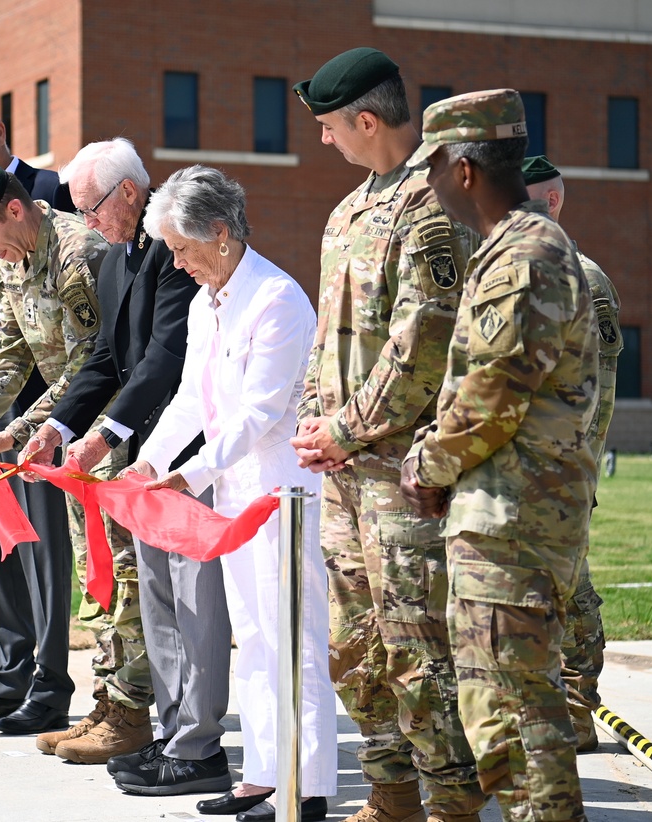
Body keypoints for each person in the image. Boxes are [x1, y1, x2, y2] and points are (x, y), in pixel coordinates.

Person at [291, 48, 484, 822]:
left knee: (419, 654)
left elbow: (423, 344)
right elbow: (327, 335)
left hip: (403, 476)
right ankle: (391, 793)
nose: (325, 142)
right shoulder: (348, 211)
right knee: (354, 651)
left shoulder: (434, 206)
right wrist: (314, 417)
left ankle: (448, 805)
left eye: (330, 127)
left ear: (365, 120)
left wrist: (343, 427)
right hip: (343, 474)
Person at [400, 89, 599, 822]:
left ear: (461, 168)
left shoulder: (525, 254)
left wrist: (425, 464)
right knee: (503, 707)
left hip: (515, 518)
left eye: (431, 170)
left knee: (513, 714)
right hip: (501, 514)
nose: (425, 185)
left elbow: (492, 393)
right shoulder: (512, 247)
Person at [120, 164, 337, 822]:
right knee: (252, 638)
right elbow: (191, 398)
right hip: (231, 499)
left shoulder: (277, 299)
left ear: (219, 235)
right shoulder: (202, 302)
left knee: (292, 639)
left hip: (281, 494)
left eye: (181, 249)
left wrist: (190, 474)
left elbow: (259, 413)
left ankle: (309, 785)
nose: (176, 263)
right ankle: (263, 775)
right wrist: (149, 461)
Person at [22, 138, 224, 771]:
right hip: (142, 446)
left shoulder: (174, 247)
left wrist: (103, 435)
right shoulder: (114, 259)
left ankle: (196, 737)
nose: (87, 223)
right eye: (78, 211)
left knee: (194, 608)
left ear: (130, 193)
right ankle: (166, 730)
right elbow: (108, 358)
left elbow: (166, 355)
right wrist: (57, 425)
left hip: (184, 447)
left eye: (92, 208)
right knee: (155, 599)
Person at [0, 163, 110, 733]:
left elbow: (92, 364)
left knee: (110, 572)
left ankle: (122, 704)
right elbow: (12, 353)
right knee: (91, 568)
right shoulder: (12, 260)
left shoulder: (77, 253)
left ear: (15, 210)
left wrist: (18, 430)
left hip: (105, 433)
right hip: (59, 426)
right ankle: (78, 696)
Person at [523, 154, 623, 753]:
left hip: (560, 469)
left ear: (551, 202)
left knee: (570, 586)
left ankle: (578, 710)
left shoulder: (587, 279)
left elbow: (598, 397)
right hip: (520, 465)